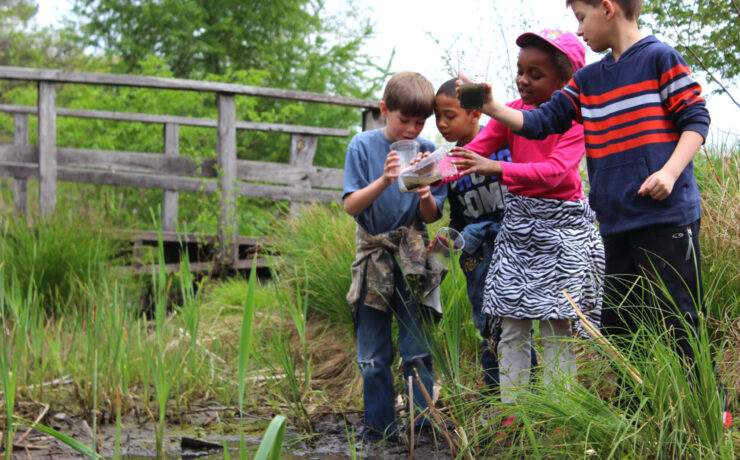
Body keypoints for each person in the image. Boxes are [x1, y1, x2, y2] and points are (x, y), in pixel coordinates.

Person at [466, 0, 728, 423]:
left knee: (679, 319)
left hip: (666, 214)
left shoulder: (660, 58)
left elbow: (695, 119)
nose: (580, 30)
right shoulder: (589, 79)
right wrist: (495, 108)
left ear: (607, 9)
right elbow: (542, 121)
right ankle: (637, 411)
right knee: (620, 322)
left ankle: (715, 414)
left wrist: (669, 171)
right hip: (616, 219)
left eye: (580, 17)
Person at [451, 29, 604, 407]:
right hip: (519, 227)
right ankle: (512, 411)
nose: (522, 80)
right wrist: (424, 172)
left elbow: (555, 171)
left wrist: (497, 170)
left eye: (535, 74)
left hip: (561, 228)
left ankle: (558, 412)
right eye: (520, 71)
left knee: (555, 326)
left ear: (567, 83)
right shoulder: (513, 114)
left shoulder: (575, 120)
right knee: (511, 326)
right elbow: (473, 151)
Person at [343, 71, 447, 441]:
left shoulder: (426, 148)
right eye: (405, 119)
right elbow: (351, 204)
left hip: (413, 256)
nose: (412, 129)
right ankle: (379, 428)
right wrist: (385, 180)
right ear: (385, 109)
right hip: (374, 258)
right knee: (372, 354)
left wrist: (425, 195)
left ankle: (422, 426)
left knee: (417, 347)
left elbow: (433, 216)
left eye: (420, 122)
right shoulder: (362, 145)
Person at [432, 78, 537, 394]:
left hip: (515, 246)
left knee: (518, 323)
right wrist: (452, 239)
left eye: (450, 116)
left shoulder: (506, 147)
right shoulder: (449, 164)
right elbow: (459, 217)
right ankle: (496, 397)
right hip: (478, 256)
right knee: (485, 325)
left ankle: (527, 398)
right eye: (437, 117)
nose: (441, 123)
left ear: (476, 114)